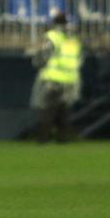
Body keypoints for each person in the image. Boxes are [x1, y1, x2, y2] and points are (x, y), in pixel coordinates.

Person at [30, 13, 83, 142]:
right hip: (70, 79)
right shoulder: (74, 39)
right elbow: (80, 59)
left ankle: (43, 139)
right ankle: (63, 139)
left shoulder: (53, 37)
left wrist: (36, 62)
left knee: (47, 110)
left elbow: (43, 56)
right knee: (64, 112)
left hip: (52, 79)